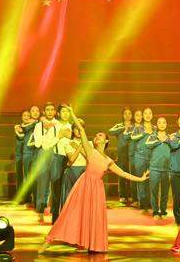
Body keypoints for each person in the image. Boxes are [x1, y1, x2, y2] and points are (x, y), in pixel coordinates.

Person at [39, 106, 149, 254]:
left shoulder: (108, 160)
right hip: (84, 185)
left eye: (100, 136)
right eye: (96, 136)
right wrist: (72, 113)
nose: (97, 137)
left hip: (97, 190)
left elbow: (123, 173)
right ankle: (48, 241)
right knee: (70, 213)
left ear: (106, 140)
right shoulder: (90, 151)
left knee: (94, 217)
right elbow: (81, 130)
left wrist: (141, 179)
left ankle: (94, 244)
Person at [33, 102, 58, 220]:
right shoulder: (39, 126)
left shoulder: (58, 124)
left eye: (52, 109)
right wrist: (47, 130)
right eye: (47, 109)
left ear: (55, 112)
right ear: (44, 112)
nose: (50, 112)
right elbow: (38, 143)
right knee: (42, 183)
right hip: (43, 154)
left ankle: (55, 210)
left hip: (56, 154)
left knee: (56, 182)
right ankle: (40, 210)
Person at [49, 104, 74, 223]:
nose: (65, 114)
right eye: (63, 111)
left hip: (71, 159)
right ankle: (55, 215)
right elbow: (47, 145)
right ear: (58, 113)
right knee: (56, 186)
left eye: (67, 111)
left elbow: (78, 141)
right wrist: (59, 136)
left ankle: (67, 216)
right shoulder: (54, 127)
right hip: (57, 157)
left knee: (69, 187)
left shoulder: (73, 127)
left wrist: (70, 136)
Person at [146, 116, 172, 219]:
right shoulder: (152, 136)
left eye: (164, 122)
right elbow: (147, 144)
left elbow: (175, 145)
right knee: (154, 191)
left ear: (166, 124)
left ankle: (163, 211)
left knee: (165, 192)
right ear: (156, 125)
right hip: (154, 168)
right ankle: (155, 211)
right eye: (159, 122)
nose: (162, 124)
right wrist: (159, 141)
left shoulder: (170, 137)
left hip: (166, 169)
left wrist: (167, 140)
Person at [108, 107, 134, 204]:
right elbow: (110, 131)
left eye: (129, 113)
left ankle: (130, 195)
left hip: (132, 153)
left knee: (131, 174)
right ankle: (122, 195)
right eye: (125, 113)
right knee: (121, 174)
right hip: (122, 154)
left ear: (132, 115)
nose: (127, 115)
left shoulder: (134, 126)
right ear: (123, 115)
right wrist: (123, 128)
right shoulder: (119, 126)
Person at [130, 106, 154, 211]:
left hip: (152, 158)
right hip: (140, 157)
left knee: (150, 181)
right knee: (141, 180)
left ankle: (150, 203)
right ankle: (142, 203)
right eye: (146, 113)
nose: (148, 115)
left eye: (150, 113)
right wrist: (144, 133)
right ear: (143, 116)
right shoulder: (138, 128)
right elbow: (132, 137)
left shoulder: (155, 128)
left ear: (152, 115)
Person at [61, 121, 88, 210]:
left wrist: (77, 147)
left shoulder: (89, 144)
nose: (79, 131)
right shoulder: (68, 143)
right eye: (76, 128)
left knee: (84, 201)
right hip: (72, 172)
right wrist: (80, 147)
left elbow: (90, 158)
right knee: (70, 201)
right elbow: (71, 159)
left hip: (85, 172)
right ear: (73, 130)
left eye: (81, 128)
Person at [21, 105, 40, 206]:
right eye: (33, 111)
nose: (35, 112)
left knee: (36, 176)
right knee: (27, 177)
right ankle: (27, 197)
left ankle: (36, 198)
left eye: (37, 110)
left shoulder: (41, 123)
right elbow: (21, 129)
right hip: (28, 152)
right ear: (30, 113)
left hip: (37, 153)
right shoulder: (27, 124)